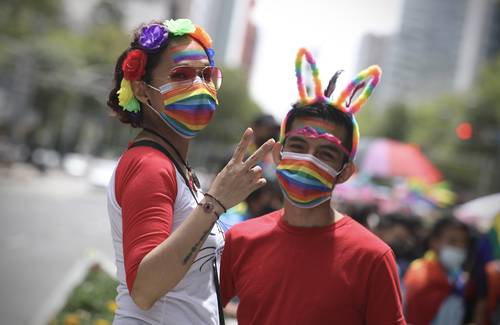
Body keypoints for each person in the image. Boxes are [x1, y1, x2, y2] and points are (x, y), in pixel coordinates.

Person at [106, 18, 274, 324]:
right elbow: (144, 289)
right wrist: (216, 202)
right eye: (181, 75)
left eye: (207, 74)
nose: (200, 86)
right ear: (143, 91)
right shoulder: (150, 165)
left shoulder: (175, 165)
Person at [220, 48, 406, 324]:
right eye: (298, 146)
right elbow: (198, 309)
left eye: (325, 153)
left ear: (344, 173)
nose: (308, 160)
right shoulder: (240, 240)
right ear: (279, 155)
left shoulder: (372, 258)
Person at [404, 216, 471, 325]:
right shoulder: (420, 274)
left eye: (464, 242)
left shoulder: (456, 275)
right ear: (434, 242)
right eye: (452, 242)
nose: (460, 247)